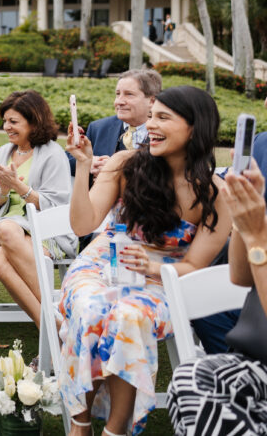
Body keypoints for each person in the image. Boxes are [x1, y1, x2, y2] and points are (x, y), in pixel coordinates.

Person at [60, 86, 232, 436]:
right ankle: (80, 424)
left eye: (163, 117)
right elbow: (83, 224)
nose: (151, 125)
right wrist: (82, 167)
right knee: (93, 307)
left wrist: (150, 267)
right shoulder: (125, 165)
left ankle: (115, 429)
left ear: (195, 128)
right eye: (151, 115)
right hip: (103, 263)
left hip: (165, 277)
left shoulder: (215, 194)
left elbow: (194, 266)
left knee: (130, 316)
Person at [167, 162, 267, 436]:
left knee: (196, 387)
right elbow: (241, 276)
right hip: (253, 359)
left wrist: (259, 237)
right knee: (189, 378)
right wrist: (242, 222)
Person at [0, 90, 73, 327]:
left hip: (47, 233)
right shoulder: (4, 152)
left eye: (13, 121)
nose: (6, 127)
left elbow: (57, 207)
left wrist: (18, 187)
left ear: (34, 122)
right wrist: (3, 189)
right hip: (9, 232)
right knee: (5, 237)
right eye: (5, 121)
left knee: (0, 255)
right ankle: (56, 326)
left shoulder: (53, 154)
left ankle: (52, 327)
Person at [68, 69, 161, 179]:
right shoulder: (98, 128)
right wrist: (88, 163)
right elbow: (67, 161)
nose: (119, 102)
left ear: (152, 101)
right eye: (118, 94)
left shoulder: (163, 133)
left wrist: (115, 169)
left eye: (129, 94)